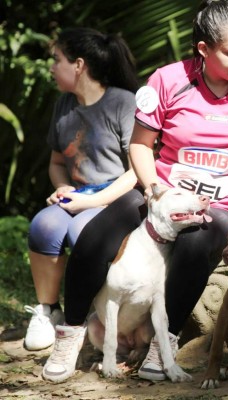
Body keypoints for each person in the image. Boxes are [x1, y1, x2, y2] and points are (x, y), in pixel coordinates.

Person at [41, 0, 228, 383]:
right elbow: (139, 146)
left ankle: (159, 347)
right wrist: (155, 192)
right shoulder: (167, 80)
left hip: (220, 206)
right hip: (159, 190)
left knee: (199, 240)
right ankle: (70, 333)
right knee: (99, 232)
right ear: (203, 49)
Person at [24, 27, 139, 352]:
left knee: (82, 229)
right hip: (77, 196)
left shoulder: (123, 103)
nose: (51, 67)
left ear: (78, 64)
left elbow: (136, 172)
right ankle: (48, 311)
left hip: (117, 199)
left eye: (56, 59)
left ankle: (94, 313)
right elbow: (57, 162)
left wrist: (95, 201)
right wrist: (63, 190)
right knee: (44, 224)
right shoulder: (63, 105)